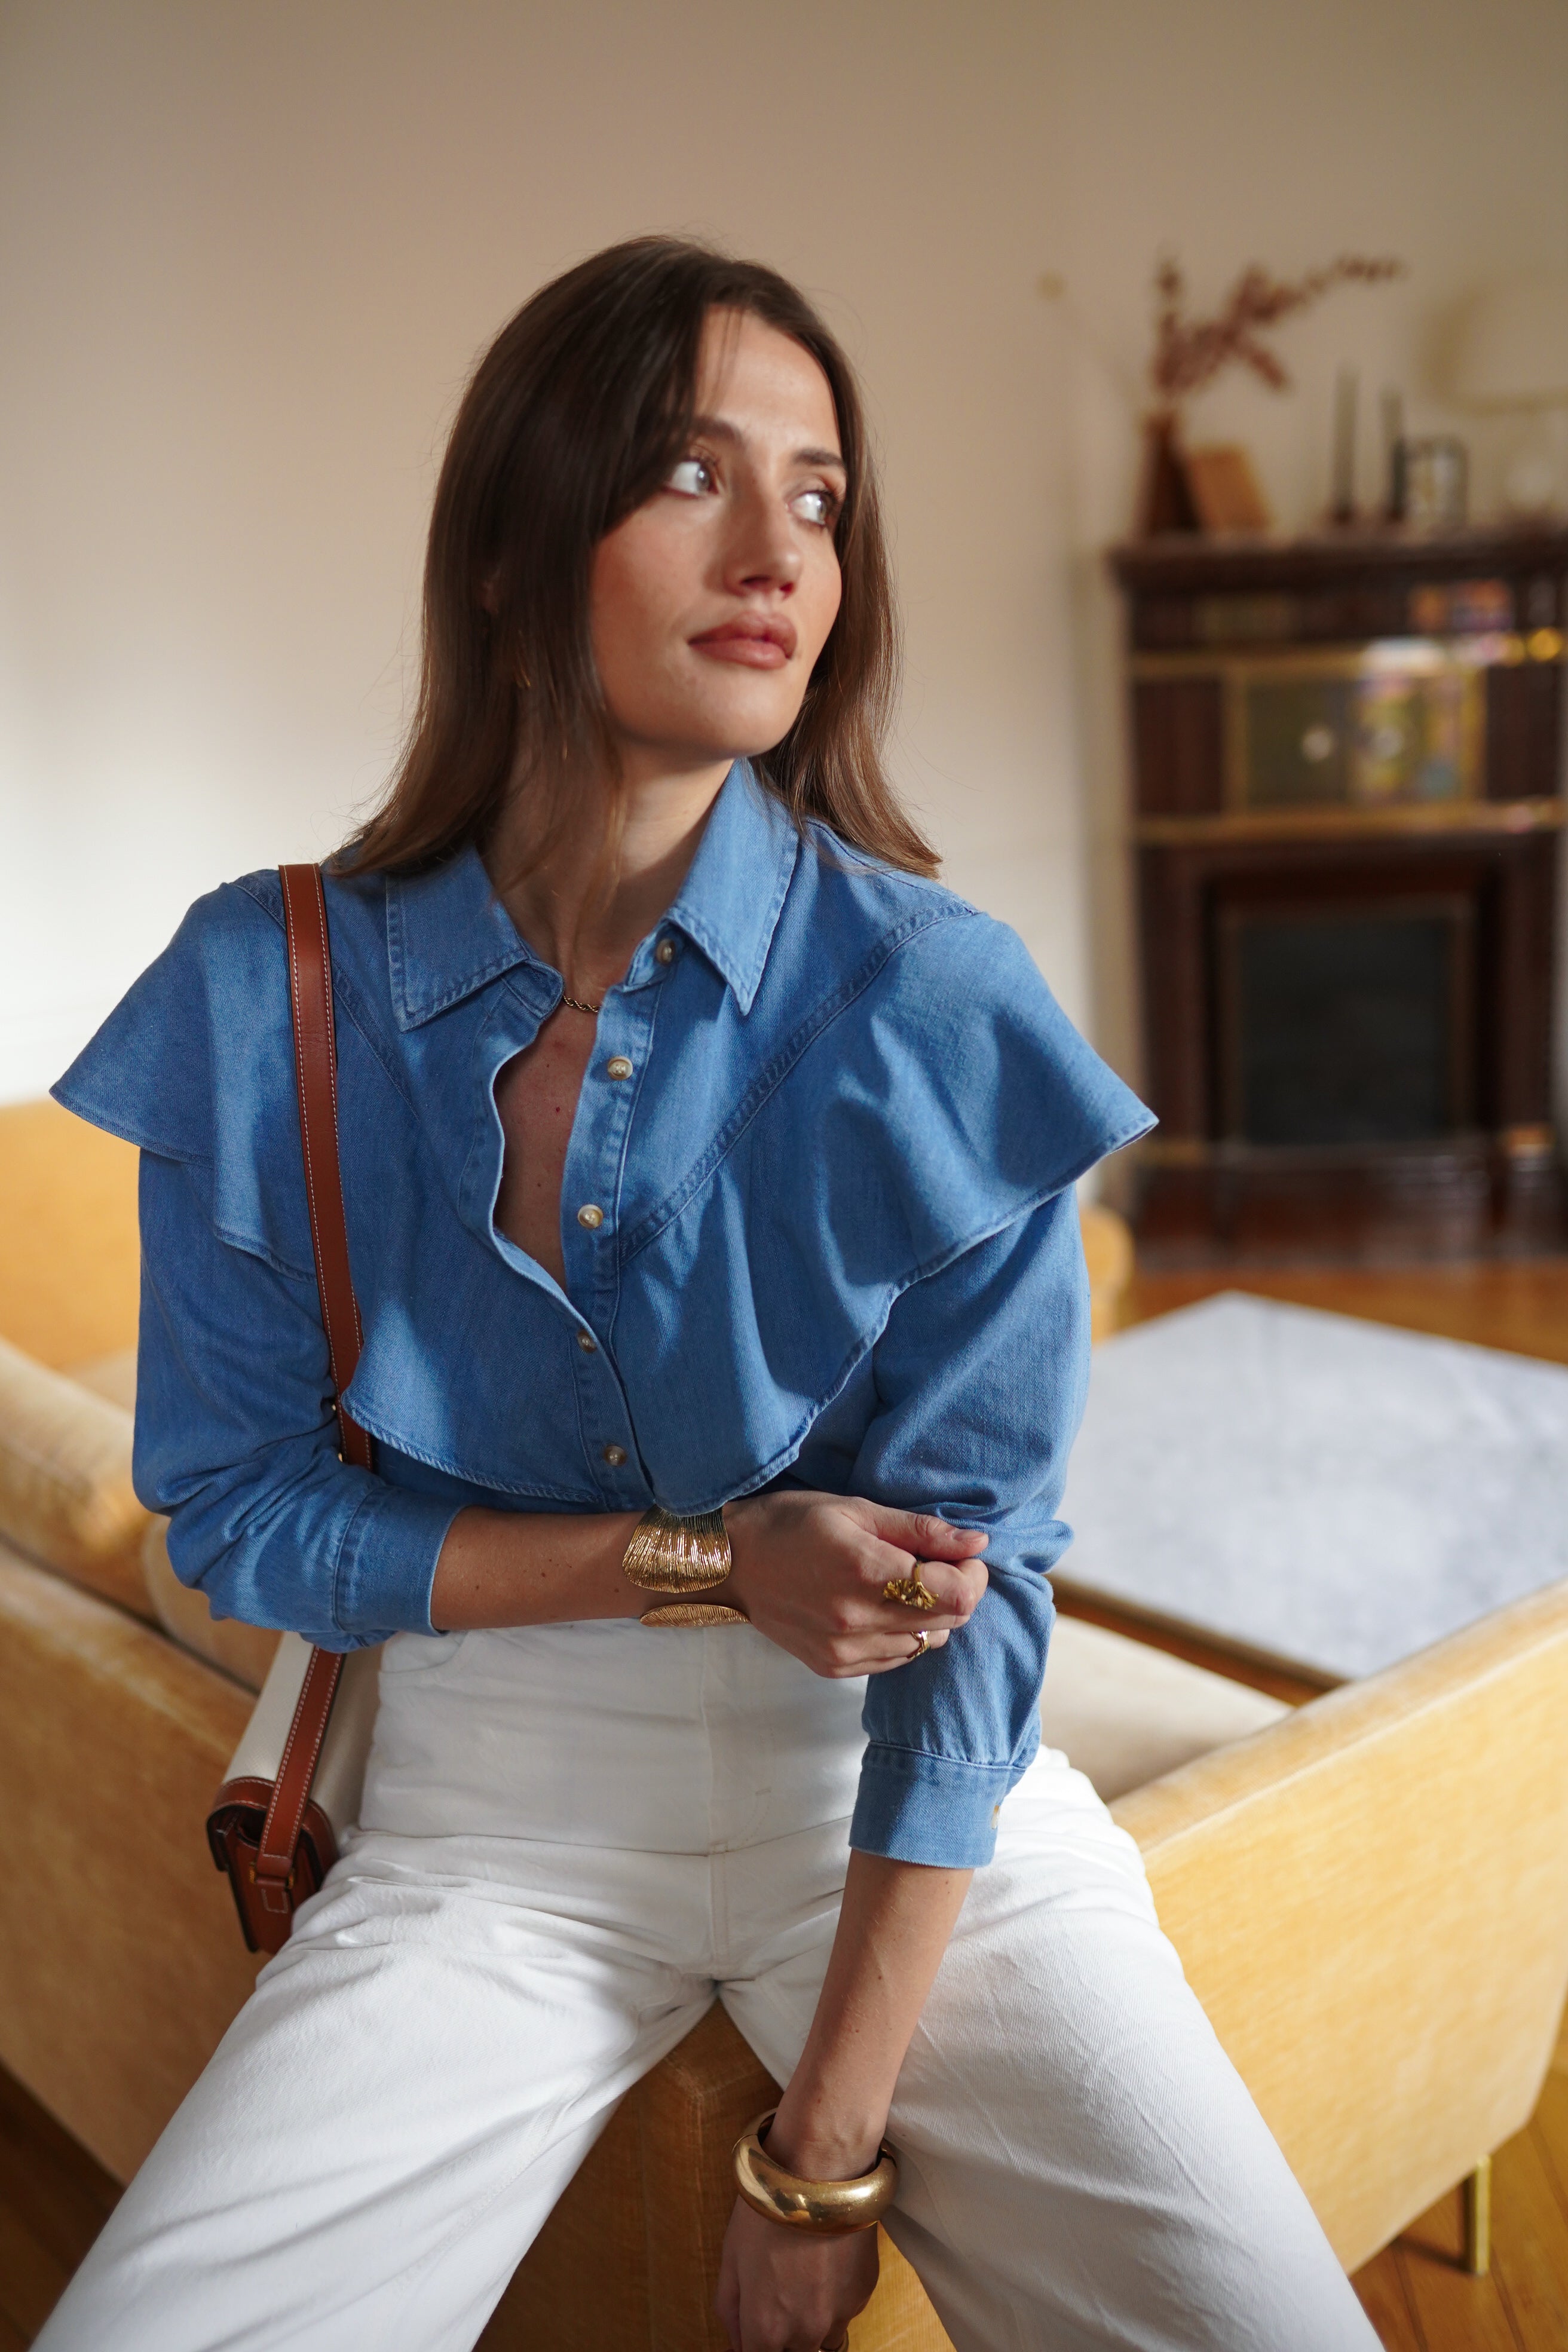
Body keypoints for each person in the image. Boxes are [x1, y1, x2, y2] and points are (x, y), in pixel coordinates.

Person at [39, 237, 1376, 2352]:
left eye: (821, 497)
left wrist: (822, 2149)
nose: (776, 551)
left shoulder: (940, 1009)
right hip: (488, 1821)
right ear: (511, 549)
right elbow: (241, 1515)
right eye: (690, 472)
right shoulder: (258, 993)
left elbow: (977, 1597)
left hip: (893, 1809)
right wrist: (707, 1563)